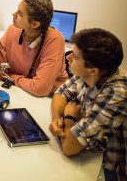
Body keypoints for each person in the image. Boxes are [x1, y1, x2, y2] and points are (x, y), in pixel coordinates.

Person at [49, 28, 126, 181]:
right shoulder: (88, 74)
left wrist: (69, 118)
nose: (69, 57)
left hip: (112, 168)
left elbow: (69, 148)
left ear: (93, 70)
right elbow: (61, 93)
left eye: (75, 57)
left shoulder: (117, 93)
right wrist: (57, 118)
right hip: (92, 155)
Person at [0, 0, 67, 97]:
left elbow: (40, 88)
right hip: (19, 87)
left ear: (34, 24)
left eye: (20, 13)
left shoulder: (55, 40)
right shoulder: (13, 29)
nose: (13, 14)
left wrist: (14, 78)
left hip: (47, 96)